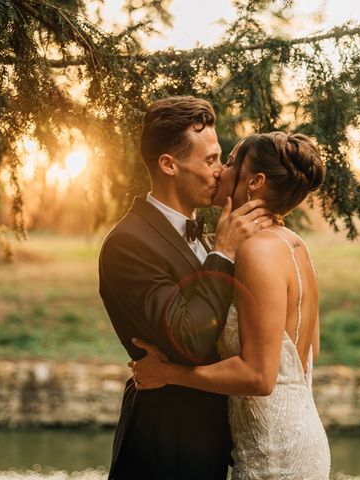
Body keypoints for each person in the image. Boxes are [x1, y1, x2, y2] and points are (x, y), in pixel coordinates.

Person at [130, 132, 331, 479]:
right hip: (302, 435)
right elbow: (311, 351)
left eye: (233, 161)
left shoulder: (258, 250)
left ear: (255, 182)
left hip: (272, 452)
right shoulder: (294, 244)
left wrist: (169, 374)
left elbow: (259, 376)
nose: (222, 169)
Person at [98, 96, 274, 480]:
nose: (219, 172)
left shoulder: (201, 235)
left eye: (220, 158)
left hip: (208, 446)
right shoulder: (128, 244)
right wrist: (225, 251)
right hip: (163, 447)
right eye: (209, 160)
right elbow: (189, 341)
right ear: (169, 164)